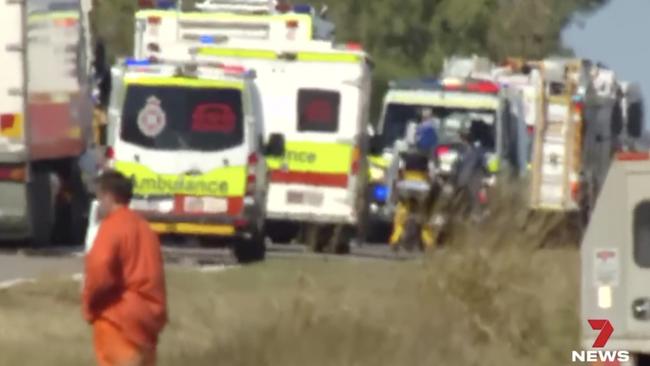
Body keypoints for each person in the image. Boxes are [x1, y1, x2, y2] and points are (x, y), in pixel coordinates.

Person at [83, 170, 167, 366]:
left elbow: (99, 269)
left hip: (118, 322)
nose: (98, 204)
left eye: (98, 197)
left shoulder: (112, 227)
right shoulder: (145, 228)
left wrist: (89, 302)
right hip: (148, 323)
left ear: (108, 196)